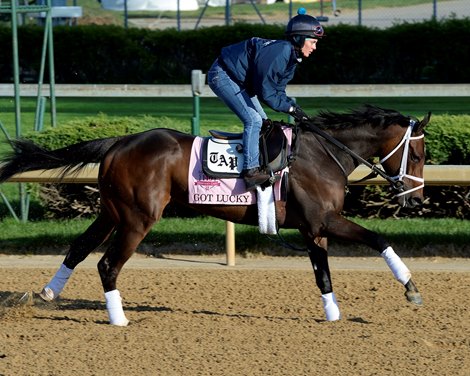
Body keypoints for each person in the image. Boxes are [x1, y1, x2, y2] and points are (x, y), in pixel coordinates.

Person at [207, 8, 324, 191]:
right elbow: (267, 92)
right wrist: (290, 109)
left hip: (238, 81)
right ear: (300, 38)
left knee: (262, 123)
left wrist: (294, 107)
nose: (315, 48)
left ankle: (258, 165)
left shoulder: (292, 58)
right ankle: (250, 172)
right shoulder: (282, 52)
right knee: (253, 121)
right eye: (313, 42)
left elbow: (278, 91)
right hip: (222, 75)